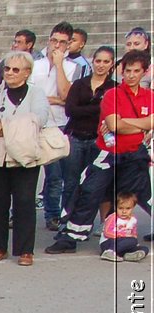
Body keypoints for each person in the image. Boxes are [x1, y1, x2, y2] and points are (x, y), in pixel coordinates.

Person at [51, 51, 153, 254]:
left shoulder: (149, 96)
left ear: (145, 72)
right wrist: (141, 125)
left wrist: (128, 123)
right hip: (108, 152)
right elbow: (114, 125)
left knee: (136, 195)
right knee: (88, 192)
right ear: (121, 71)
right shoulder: (112, 94)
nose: (131, 75)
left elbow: (149, 122)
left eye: (136, 71)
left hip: (135, 154)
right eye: (128, 71)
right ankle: (70, 237)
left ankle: (118, 237)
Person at [0, 51, 51, 265]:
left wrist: (6, 125)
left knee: (24, 202)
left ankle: (25, 250)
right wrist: (17, 125)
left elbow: (38, 119)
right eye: (7, 69)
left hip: (25, 156)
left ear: (27, 73)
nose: (10, 73)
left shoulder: (36, 94)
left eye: (15, 69)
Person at [59, 48, 119, 230]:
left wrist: (87, 109)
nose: (101, 65)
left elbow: (110, 112)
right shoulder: (79, 84)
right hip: (76, 138)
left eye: (106, 61)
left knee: (98, 184)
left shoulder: (114, 87)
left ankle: (100, 223)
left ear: (112, 64)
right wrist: (98, 108)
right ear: (93, 61)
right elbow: (70, 110)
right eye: (98, 61)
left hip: (100, 140)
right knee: (71, 182)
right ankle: (66, 221)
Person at [32, 24, 79, 231]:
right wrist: (53, 99)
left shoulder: (73, 67)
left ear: (69, 45)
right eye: (54, 41)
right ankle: (17, 214)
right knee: (27, 170)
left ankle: (52, 214)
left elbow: (67, 96)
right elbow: (32, 95)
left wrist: (59, 65)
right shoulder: (35, 64)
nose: (56, 46)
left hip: (59, 124)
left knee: (55, 175)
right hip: (34, 122)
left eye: (62, 42)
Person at [101, 191, 147, 261]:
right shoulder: (113, 217)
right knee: (131, 241)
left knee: (144, 248)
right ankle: (109, 252)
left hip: (124, 243)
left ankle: (129, 256)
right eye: (121, 208)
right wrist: (122, 235)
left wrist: (134, 242)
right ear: (116, 207)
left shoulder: (133, 219)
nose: (124, 211)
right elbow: (107, 233)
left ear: (133, 207)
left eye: (128, 208)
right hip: (109, 242)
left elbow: (133, 233)